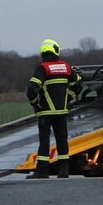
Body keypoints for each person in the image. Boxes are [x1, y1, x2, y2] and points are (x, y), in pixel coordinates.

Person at [25, 38, 82, 179]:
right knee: (62, 140)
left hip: (45, 112)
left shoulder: (42, 68)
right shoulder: (66, 67)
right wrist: (68, 98)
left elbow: (31, 89)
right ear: (56, 50)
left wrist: (35, 104)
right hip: (62, 111)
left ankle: (42, 171)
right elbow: (78, 85)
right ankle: (64, 171)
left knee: (44, 141)